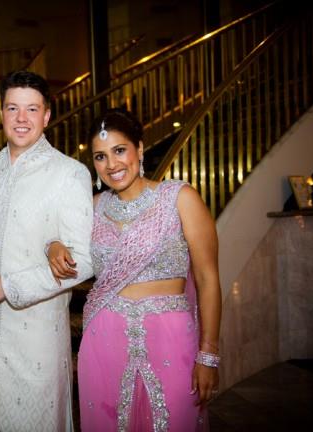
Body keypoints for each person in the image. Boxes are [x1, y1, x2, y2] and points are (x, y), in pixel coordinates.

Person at [48, 108, 222, 431]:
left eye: (119, 150)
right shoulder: (94, 208)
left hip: (171, 339)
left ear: (139, 149)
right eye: (100, 156)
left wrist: (208, 354)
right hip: (103, 339)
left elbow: (209, 280)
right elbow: (66, 246)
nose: (111, 164)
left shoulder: (179, 198)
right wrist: (53, 246)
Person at [0, 70, 94, 431]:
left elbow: (85, 260)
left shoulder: (69, 173)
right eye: (13, 108)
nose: (22, 118)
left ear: (46, 115)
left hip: (38, 341)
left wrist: (9, 286)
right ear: (2, 112)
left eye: (32, 109)